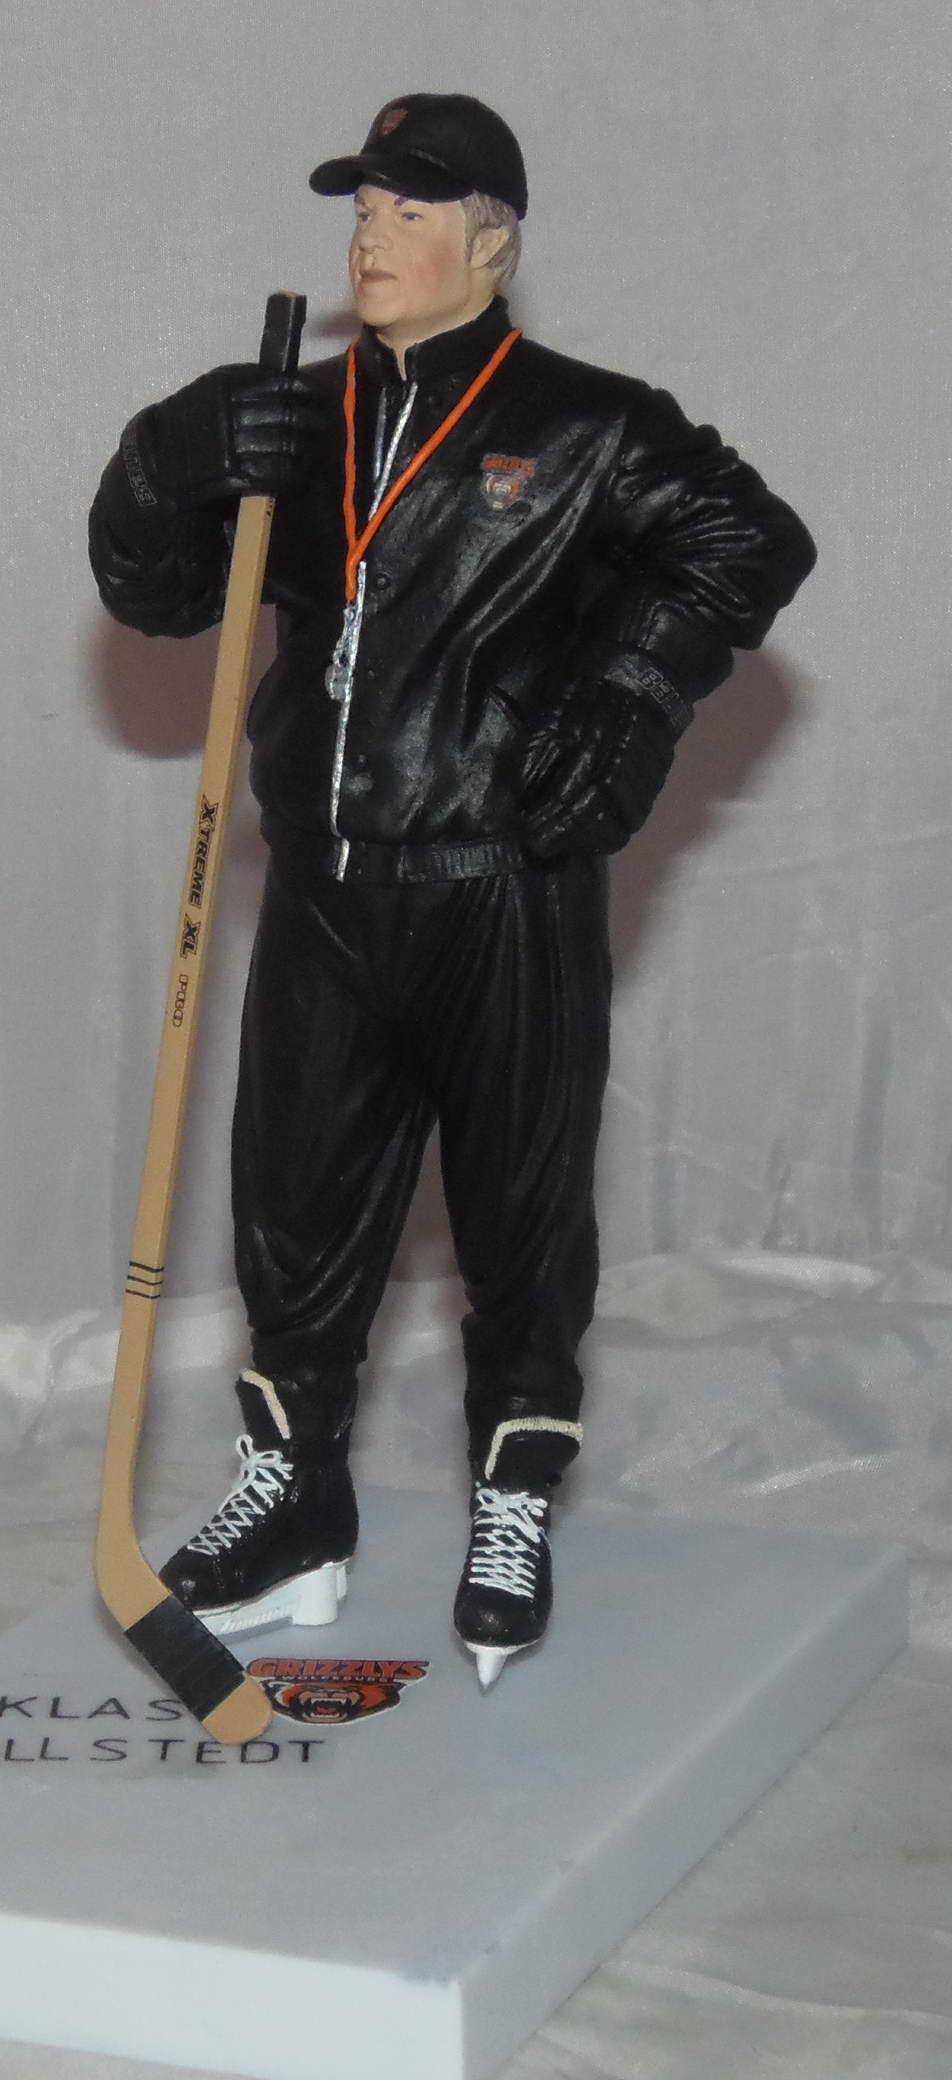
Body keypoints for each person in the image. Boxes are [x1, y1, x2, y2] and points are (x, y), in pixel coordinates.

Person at [88, 93, 816, 1686]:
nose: (372, 238)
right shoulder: (299, 419)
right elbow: (155, 595)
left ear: (492, 240)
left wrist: (630, 694)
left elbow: (752, 541)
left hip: (503, 894)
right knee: (294, 1212)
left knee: (519, 1215)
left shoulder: (588, 423)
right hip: (328, 890)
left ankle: (513, 1495)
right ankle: (296, 1502)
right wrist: (169, 461)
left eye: (410, 212)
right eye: (361, 209)